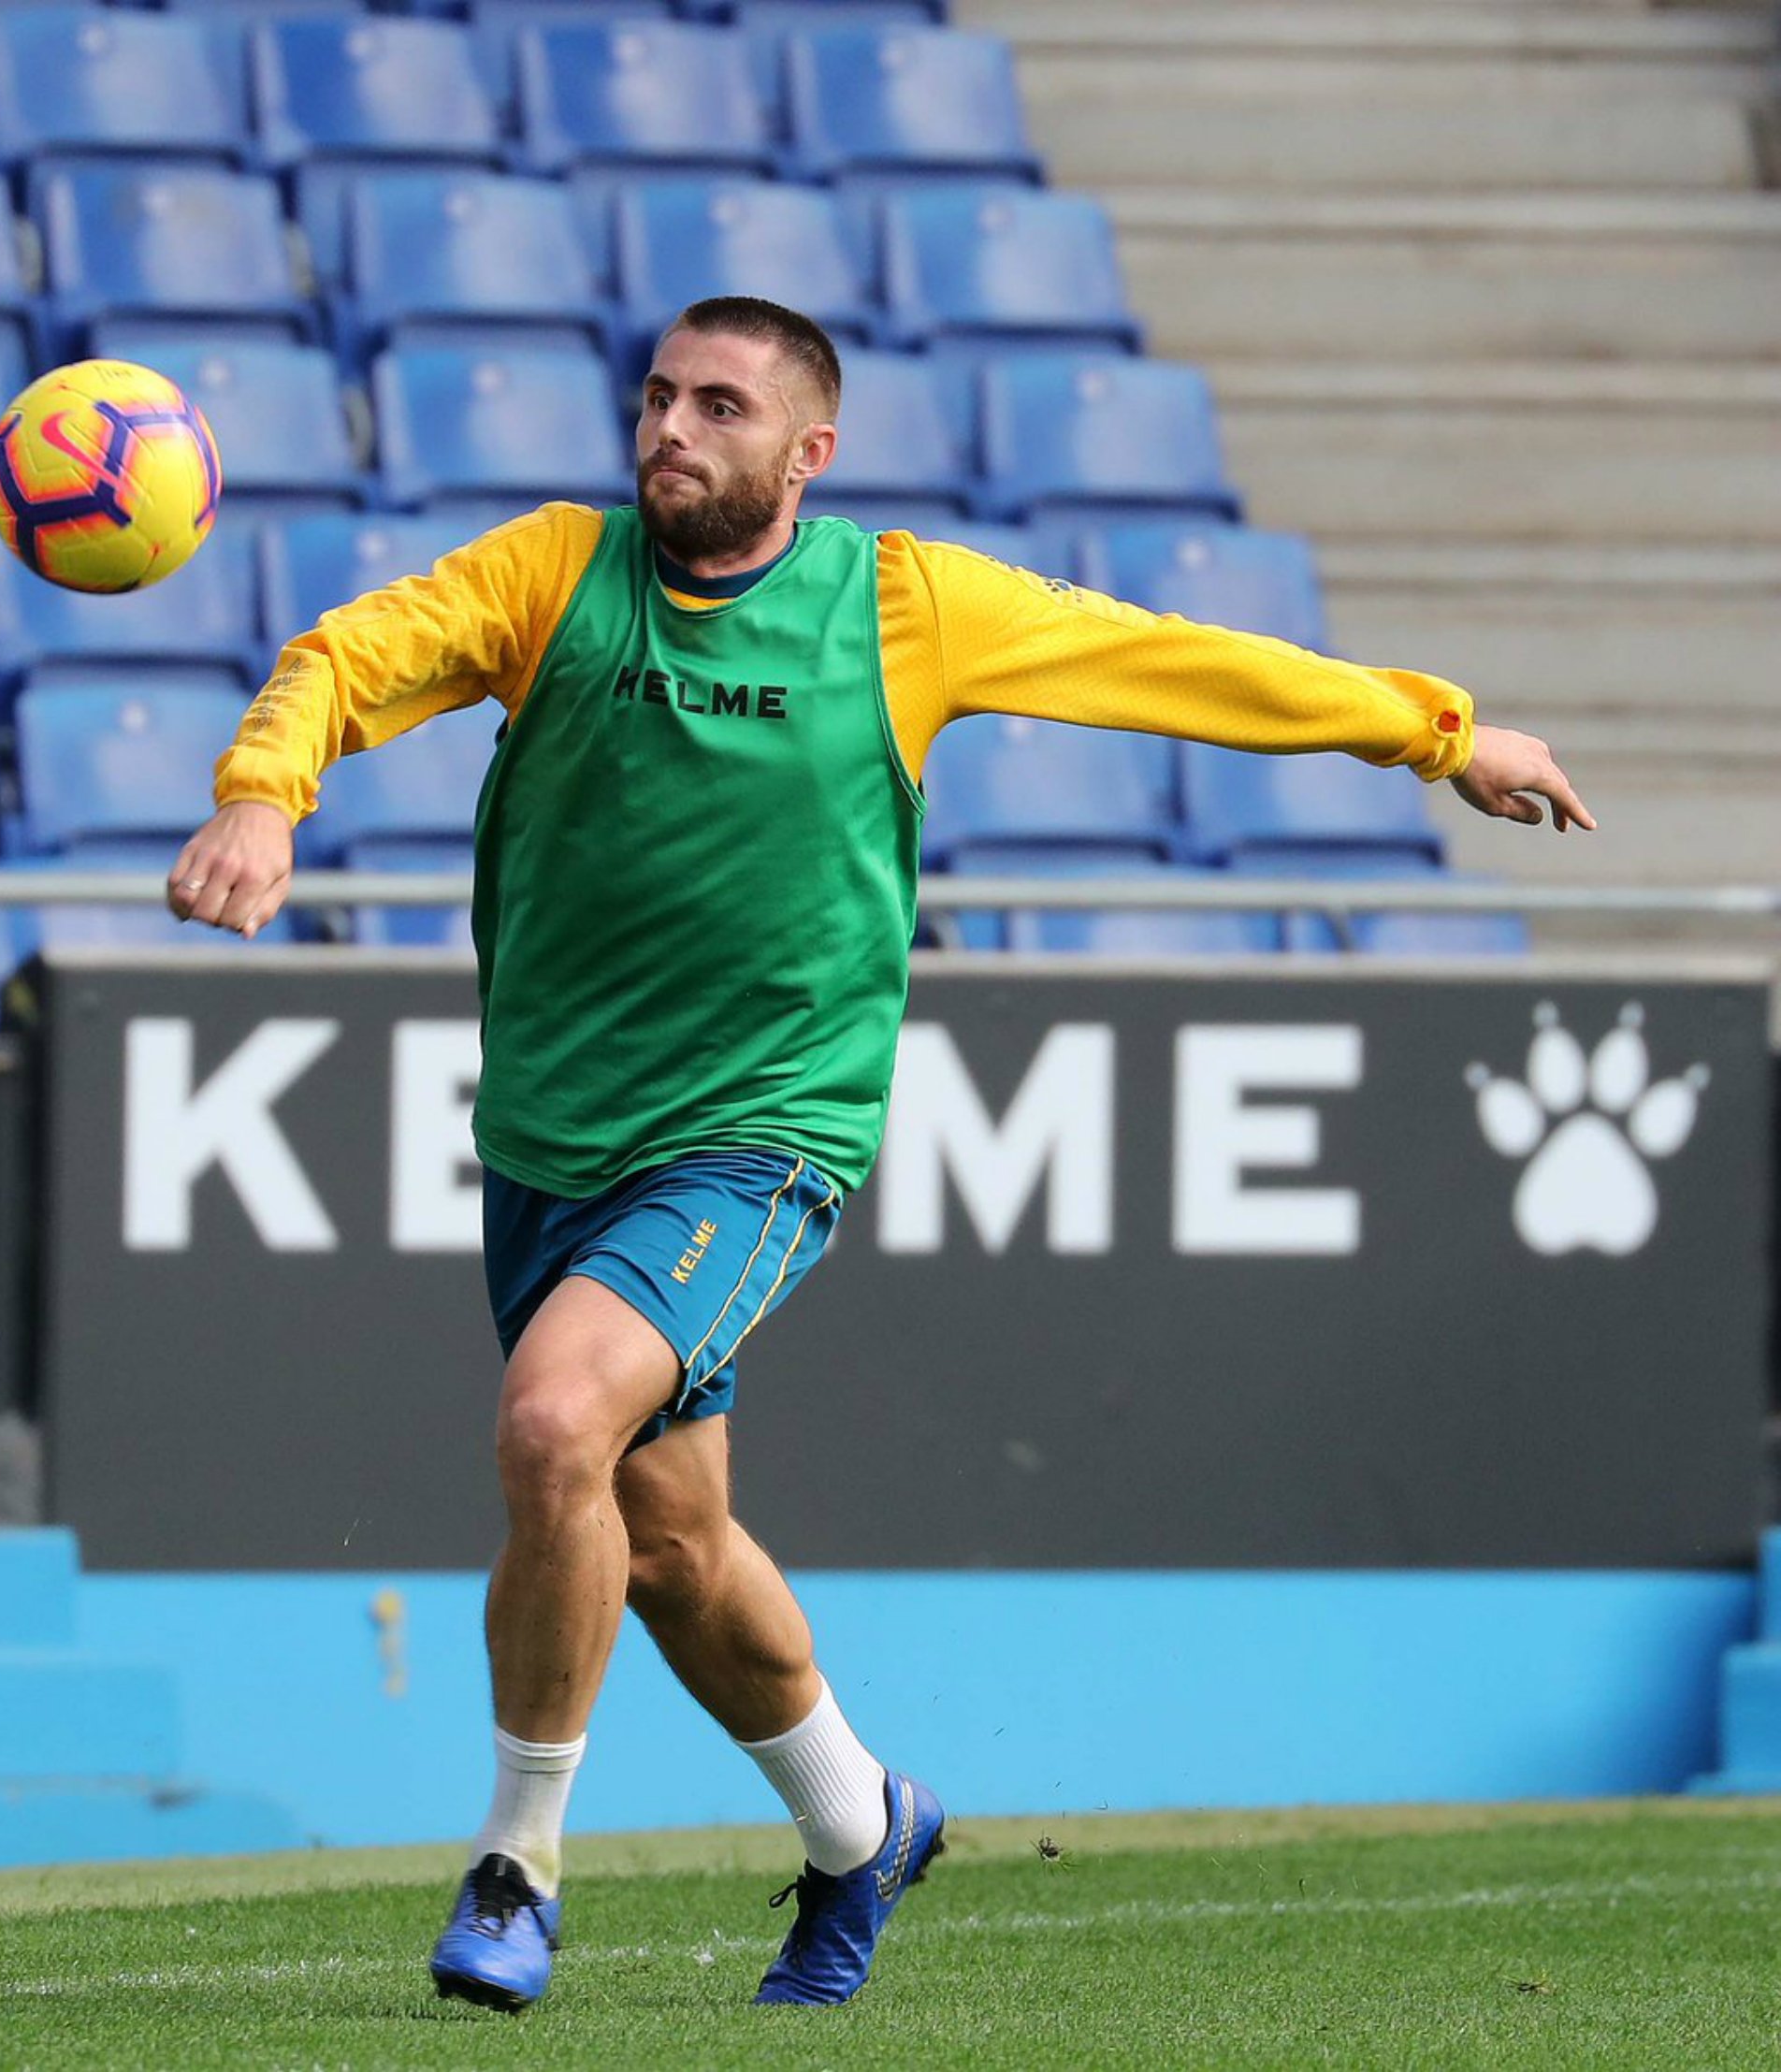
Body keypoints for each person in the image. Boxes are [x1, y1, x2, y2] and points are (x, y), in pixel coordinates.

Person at [167, 296, 1593, 2013]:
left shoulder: (906, 608)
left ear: (806, 453)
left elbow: (1177, 665)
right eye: (657, 398)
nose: (671, 429)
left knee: (554, 1425)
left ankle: (516, 1866)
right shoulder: (554, 575)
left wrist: (1439, 732)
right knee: (672, 1545)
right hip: (551, 1135)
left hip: (759, 1136)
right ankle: (865, 1824)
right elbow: (351, 653)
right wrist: (267, 786)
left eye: (717, 405)